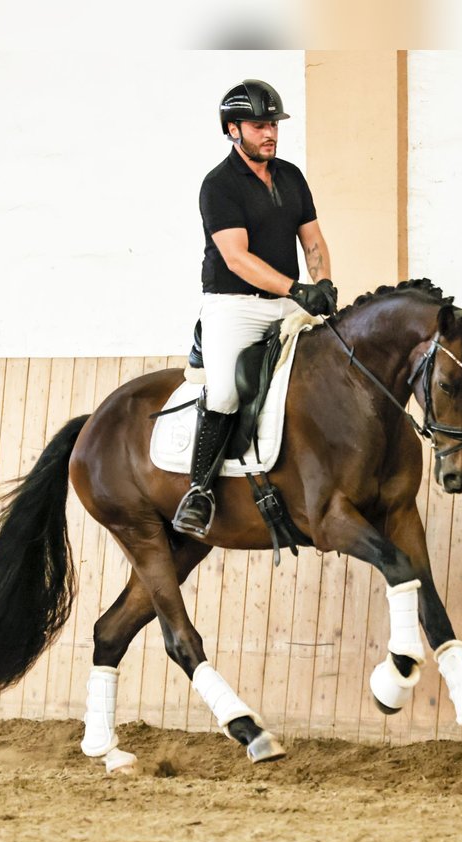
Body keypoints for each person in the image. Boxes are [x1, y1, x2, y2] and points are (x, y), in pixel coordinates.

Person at [172, 78, 338, 538]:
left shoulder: (290, 176)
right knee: (225, 392)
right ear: (232, 130)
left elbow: (313, 240)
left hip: (286, 301)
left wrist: (322, 282)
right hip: (234, 305)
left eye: (273, 124)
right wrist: (297, 289)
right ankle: (199, 490)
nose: (270, 133)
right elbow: (237, 258)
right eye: (259, 125)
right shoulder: (219, 186)